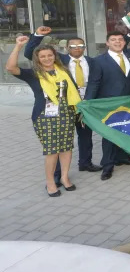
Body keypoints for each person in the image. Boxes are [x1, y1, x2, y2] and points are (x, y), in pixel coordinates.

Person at [6, 35, 80, 197]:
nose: (47, 58)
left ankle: (65, 177)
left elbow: (73, 91)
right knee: (52, 151)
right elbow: (11, 68)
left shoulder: (64, 70)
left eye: (50, 55)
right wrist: (18, 46)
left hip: (66, 113)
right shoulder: (32, 73)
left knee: (67, 147)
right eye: (43, 56)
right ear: (37, 59)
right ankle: (50, 183)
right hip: (44, 116)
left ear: (55, 56)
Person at [24, 27, 102, 176]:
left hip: (83, 105)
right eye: (73, 46)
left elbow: (94, 82)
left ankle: (85, 163)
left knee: (85, 134)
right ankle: (57, 174)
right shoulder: (59, 59)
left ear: (84, 47)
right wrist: (38, 35)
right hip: (62, 107)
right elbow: (30, 53)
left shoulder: (93, 62)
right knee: (60, 141)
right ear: (67, 48)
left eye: (80, 46)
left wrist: (87, 102)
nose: (77, 48)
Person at [86, 31, 130, 181]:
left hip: (128, 102)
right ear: (107, 43)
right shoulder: (98, 61)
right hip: (109, 103)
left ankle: (123, 157)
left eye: (120, 40)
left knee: (126, 129)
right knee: (109, 135)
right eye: (113, 40)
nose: (117, 42)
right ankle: (107, 165)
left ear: (124, 42)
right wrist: (88, 103)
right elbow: (94, 83)